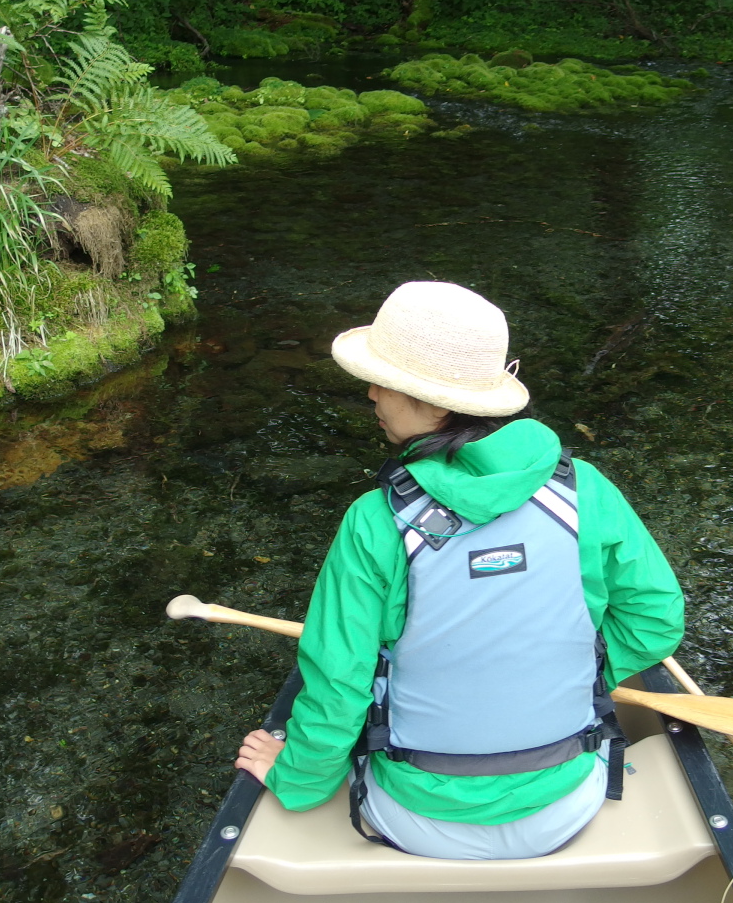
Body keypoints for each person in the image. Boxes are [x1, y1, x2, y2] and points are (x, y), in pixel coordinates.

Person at [234, 280, 684, 860]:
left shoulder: (375, 521)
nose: (370, 392)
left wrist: (295, 781)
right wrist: (576, 667)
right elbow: (656, 621)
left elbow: (338, 687)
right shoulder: (586, 492)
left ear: (433, 401)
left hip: (415, 817)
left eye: (385, 381)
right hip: (566, 805)